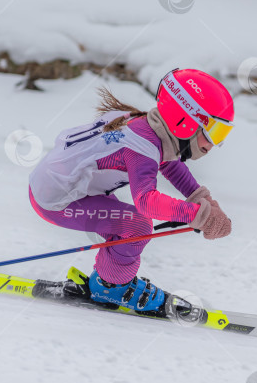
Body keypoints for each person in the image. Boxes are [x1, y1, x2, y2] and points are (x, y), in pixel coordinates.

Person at [28, 68, 234, 313]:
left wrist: (204, 200)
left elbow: (169, 164)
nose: (215, 145)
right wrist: (199, 215)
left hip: (71, 189)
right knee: (137, 225)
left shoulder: (147, 125)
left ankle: (111, 278)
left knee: (128, 227)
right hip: (57, 200)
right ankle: (110, 287)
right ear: (186, 120)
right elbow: (146, 201)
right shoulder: (141, 147)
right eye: (214, 133)